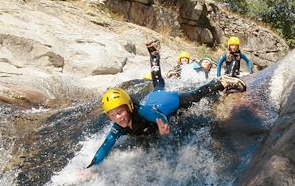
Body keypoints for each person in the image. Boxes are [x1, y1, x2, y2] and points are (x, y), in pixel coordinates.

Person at [86, 45, 246, 168]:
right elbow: (105, 146)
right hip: (154, 97)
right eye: (113, 115)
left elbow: (157, 116)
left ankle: (220, 82)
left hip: (167, 102)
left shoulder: (140, 111)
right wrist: (92, 167)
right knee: (157, 85)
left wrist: (162, 125)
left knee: (195, 96)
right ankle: (154, 58)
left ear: (129, 106)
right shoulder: (117, 126)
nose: (118, 117)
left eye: (120, 112)